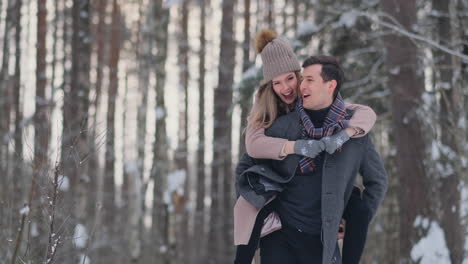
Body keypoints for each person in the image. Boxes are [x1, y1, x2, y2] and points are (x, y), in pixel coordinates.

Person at [234, 30, 387, 264]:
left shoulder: (347, 125)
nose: (287, 88)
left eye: (292, 79)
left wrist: (346, 134)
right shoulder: (271, 117)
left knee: (358, 208)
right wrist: (297, 147)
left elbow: (362, 113)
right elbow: (251, 151)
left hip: (321, 235)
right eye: (277, 82)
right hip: (282, 232)